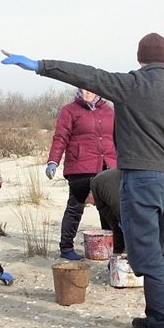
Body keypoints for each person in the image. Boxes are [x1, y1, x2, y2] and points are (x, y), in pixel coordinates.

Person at [1, 32, 164, 328]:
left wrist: (39, 65)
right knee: (156, 249)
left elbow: (85, 74)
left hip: (141, 181)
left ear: (140, 59)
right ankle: (154, 316)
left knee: (150, 258)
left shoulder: (131, 85)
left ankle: (161, 326)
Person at [45, 88, 116, 260]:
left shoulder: (109, 111)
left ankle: (112, 246)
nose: (87, 92)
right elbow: (60, 137)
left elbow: (117, 139)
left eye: (90, 89)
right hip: (80, 166)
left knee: (108, 209)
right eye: (83, 89)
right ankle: (66, 247)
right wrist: (53, 160)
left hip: (107, 166)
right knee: (75, 207)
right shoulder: (69, 110)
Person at [90, 168, 164, 277]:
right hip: (151, 190)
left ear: (89, 192)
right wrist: (117, 254)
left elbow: (123, 215)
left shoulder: (101, 184)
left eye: (87, 201)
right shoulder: (101, 186)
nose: (91, 204)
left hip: (158, 190)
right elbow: (115, 223)